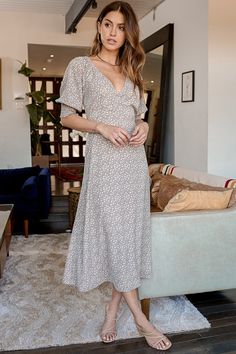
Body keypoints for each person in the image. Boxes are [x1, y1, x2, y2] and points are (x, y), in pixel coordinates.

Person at [57, 1, 172, 351]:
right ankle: (141, 319)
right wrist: (101, 127)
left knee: (125, 238)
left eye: (120, 27)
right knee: (115, 236)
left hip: (133, 164)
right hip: (105, 163)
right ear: (99, 27)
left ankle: (112, 309)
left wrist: (143, 125)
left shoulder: (133, 70)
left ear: (128, 34)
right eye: (107, 24)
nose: (112, 32)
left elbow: (138, 115)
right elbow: (66, 116)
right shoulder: (81, 66)